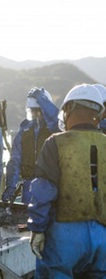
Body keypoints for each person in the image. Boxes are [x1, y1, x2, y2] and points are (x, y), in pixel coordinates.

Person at [27, 84, 106, 278]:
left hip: (65, 237)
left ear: (69, 109)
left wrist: (37, 229)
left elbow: (44, 189)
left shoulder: (55, 142)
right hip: (102, 237)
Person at [2, 87, 59, 204]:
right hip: (28, 187)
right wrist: (10, 186)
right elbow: (15, 160)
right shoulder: (24, 131)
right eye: (32, 111)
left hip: (50, 187)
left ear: (45, 111)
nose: (35, 115)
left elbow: (57, 120)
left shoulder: (55, 130)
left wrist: (42, 100)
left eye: (39, 111)